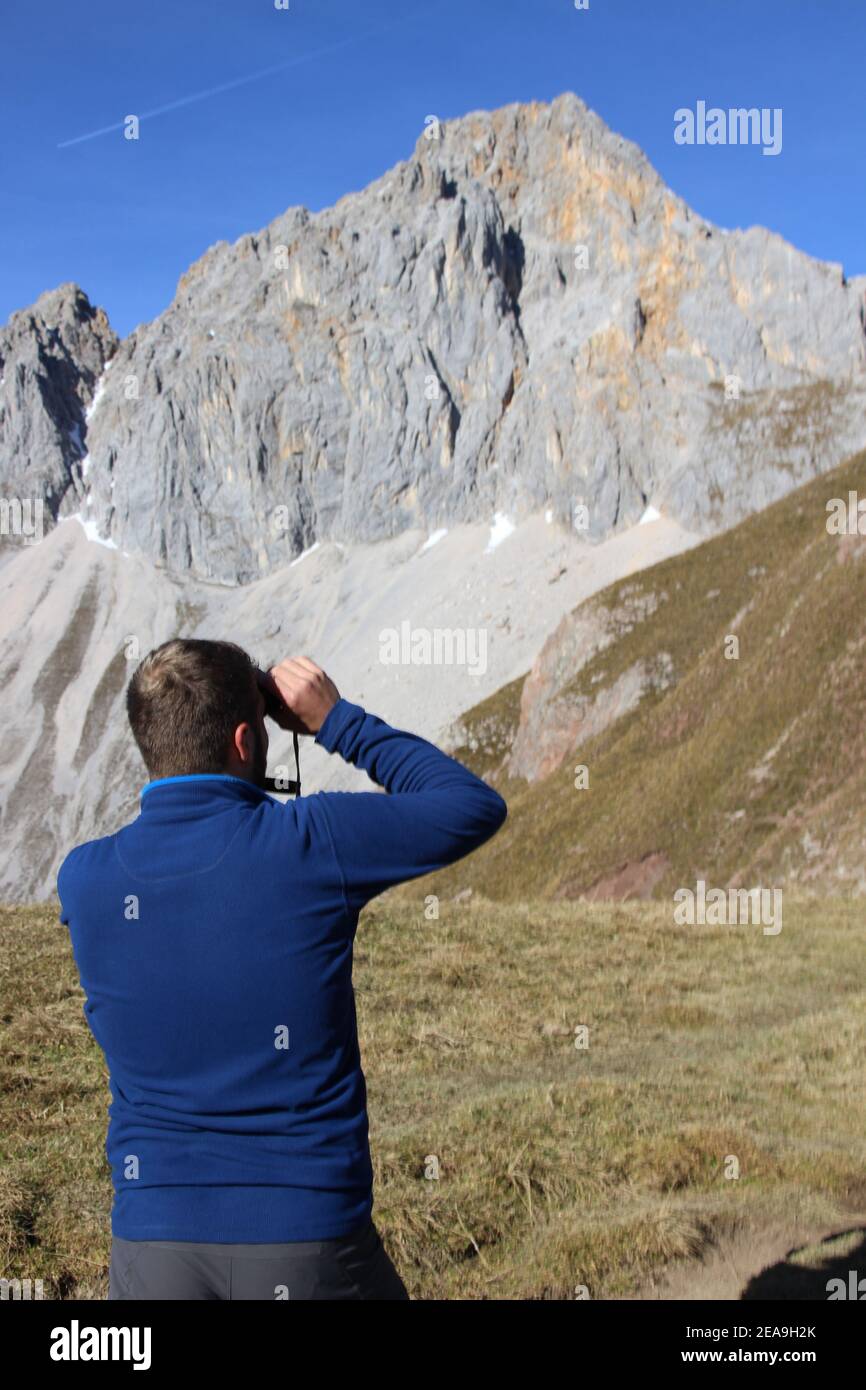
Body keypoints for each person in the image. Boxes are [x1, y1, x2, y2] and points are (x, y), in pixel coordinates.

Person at [57, 640, 507, 1300]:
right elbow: (471, 806)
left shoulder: (86, 881)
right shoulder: (310, 844)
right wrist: (335, 721)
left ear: (148, 743)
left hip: (152, 1245)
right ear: (247, 738)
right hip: (310, 1240)